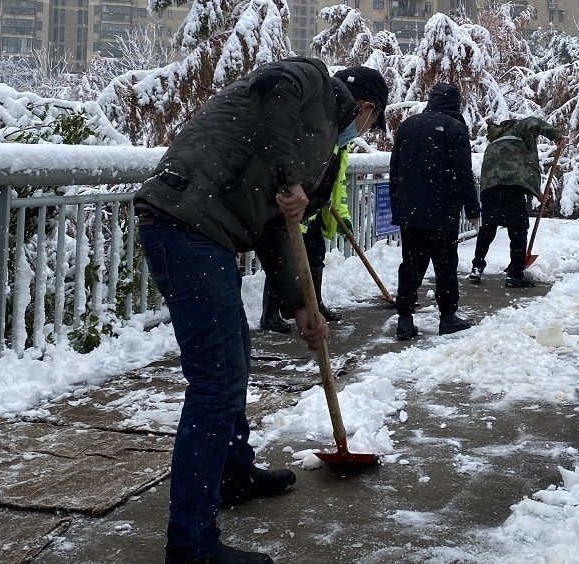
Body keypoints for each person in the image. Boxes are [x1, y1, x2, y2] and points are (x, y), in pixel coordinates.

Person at [135, 58, 387, 564]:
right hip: (187, 221)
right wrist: (291, 176)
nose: (361, 133)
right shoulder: (312, 83)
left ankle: (233, 472)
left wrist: (300, 307)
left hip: (206, 229)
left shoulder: (312, 147)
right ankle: (192, 546)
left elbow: (279, 229)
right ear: (363, 108)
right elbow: (274, 83)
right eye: (369, 123)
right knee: (216, 380)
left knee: (235, 360)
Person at [388, 81, 480, 341]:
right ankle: (448, 317)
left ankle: (404, 319)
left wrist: (400, 206)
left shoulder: (407, 126)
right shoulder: (455, 129)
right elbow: (463, 173)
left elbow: (395, 170)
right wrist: (473, 209)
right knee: (445, 265)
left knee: (411, 265)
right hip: (442, 212)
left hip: (411, 212)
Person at [260, 139, 351, 332]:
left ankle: (315, 307)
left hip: (317, 210)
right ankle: (270, 313)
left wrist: (343, 214)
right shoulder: (319, 139)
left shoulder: (342, 146)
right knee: (285, 259)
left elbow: (338, 184)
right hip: (297, 210)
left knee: (316, 258)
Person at [470, 116, 564, 289]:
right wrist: (556, 136)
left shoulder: (496, 140)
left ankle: (477, 267)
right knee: (518, 229)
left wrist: (538, 194)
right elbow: (525, 169)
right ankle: (515, 274)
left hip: (489, 187)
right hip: (511, 187)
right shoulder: (520, 129)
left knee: (488, 227)